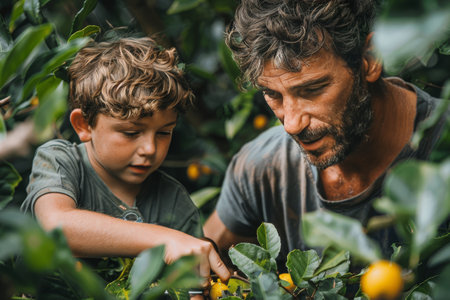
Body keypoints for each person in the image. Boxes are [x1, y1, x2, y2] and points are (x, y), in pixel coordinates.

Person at [204, 0, 448, 269]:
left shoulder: (442, 148)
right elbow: (199, 268)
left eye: (312, 90)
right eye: (272, 94)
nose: (292, 124)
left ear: (369, 59)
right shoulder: (262, 168)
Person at [21, 37, 230, 285]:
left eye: (164, 132)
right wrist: (165, 240)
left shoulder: (173, 201)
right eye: (131, 133)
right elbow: (56, 226)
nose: (150, 149)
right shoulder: (61, 161)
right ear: (84, 125)